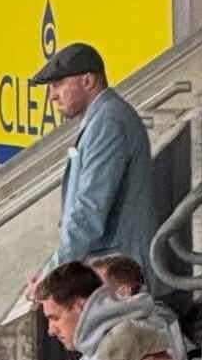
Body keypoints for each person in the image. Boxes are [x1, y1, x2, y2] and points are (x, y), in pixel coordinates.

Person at [27, 43, 157, 297]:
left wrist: (53, 271)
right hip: (113, 271)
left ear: (88, 80)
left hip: (119, 276)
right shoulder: (104, 118)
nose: (52, 95)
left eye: (58, 84)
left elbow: (89, 211)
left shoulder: (108, 121)